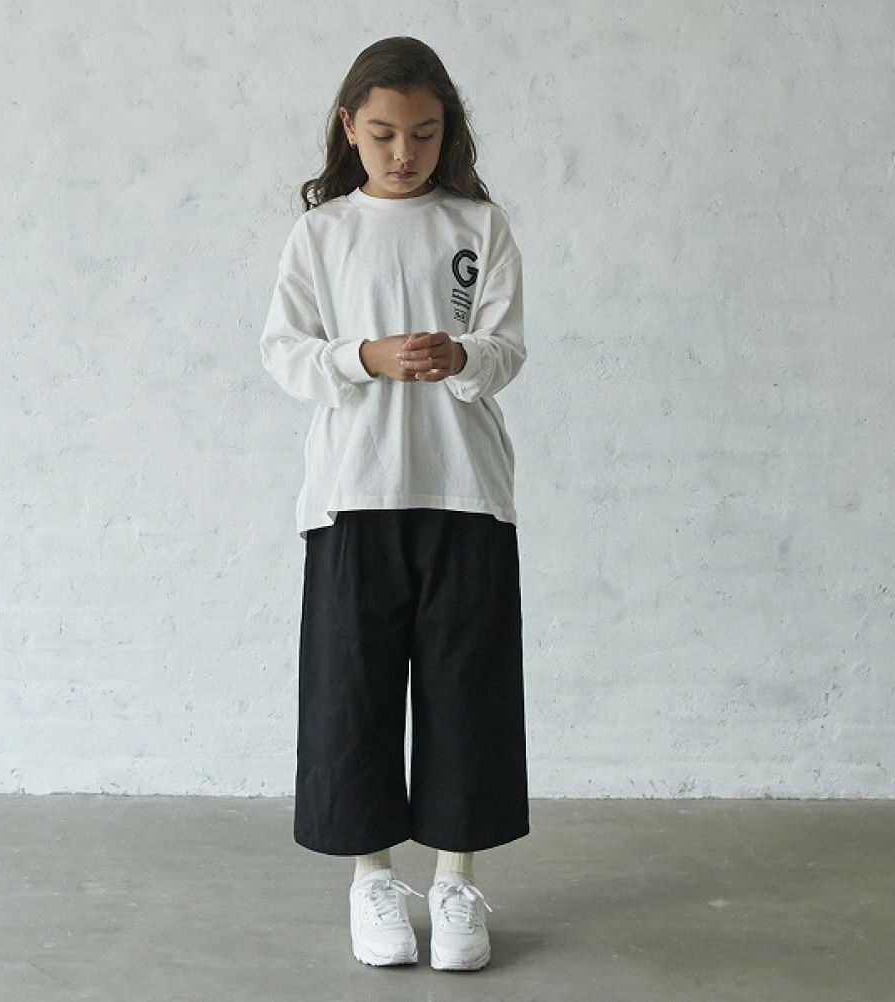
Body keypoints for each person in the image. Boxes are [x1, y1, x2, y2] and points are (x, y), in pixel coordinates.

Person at [259, 36, 529, 972]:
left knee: (467, 693)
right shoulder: (323, 233)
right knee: (354, 694)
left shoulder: (479, 226)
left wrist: (463, 356)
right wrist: (363, 358)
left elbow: (507, 346)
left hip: (467, 489)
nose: (403, 152)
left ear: (447, 129)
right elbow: (284, 351)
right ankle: (372, 880)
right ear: (349, 127)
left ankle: (455, 884)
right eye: (382, 134)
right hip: (352, 491)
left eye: (423, 133)